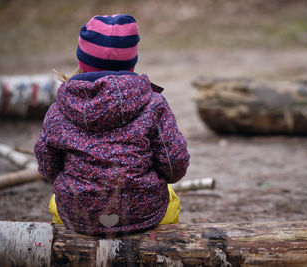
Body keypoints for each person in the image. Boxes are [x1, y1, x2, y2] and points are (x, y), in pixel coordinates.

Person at [34, 14, 190, 234]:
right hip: (144, 214)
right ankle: (160, 251)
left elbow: (47, 166)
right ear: (132, 61)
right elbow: (176, 164)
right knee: (172, 199)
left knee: (55, 202)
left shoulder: (59, 110)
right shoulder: (154, 104)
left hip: (78, 214)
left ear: (82, 60)